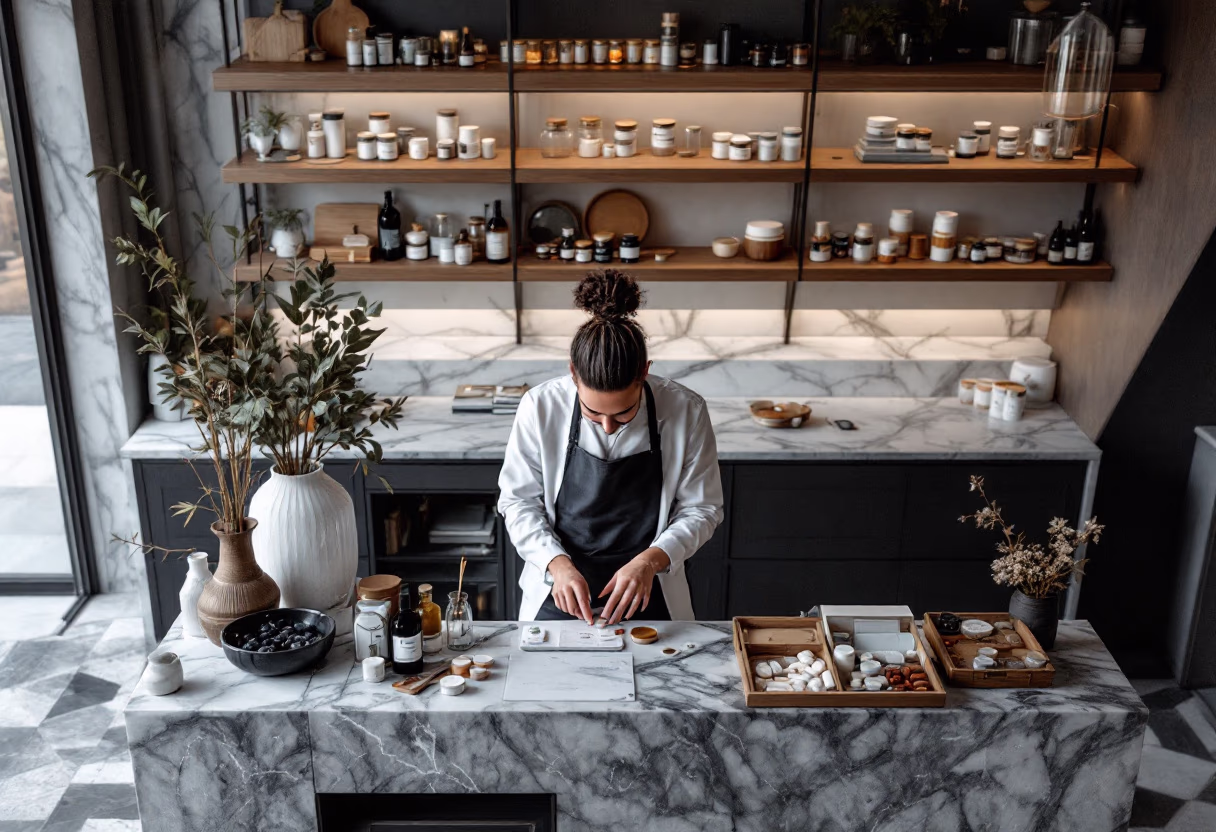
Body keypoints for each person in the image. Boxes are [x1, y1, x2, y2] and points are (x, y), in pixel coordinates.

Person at [498, 270, 724, 624]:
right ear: (574, 374)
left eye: (623, 415)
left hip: (652, 590)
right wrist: (557, 565)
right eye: (593, 414)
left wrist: (650, 561)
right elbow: (518, 502)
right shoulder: (539, 406)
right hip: (558, 589)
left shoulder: (685, 409)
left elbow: (702, 509)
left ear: (644, 373)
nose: (606, 427)